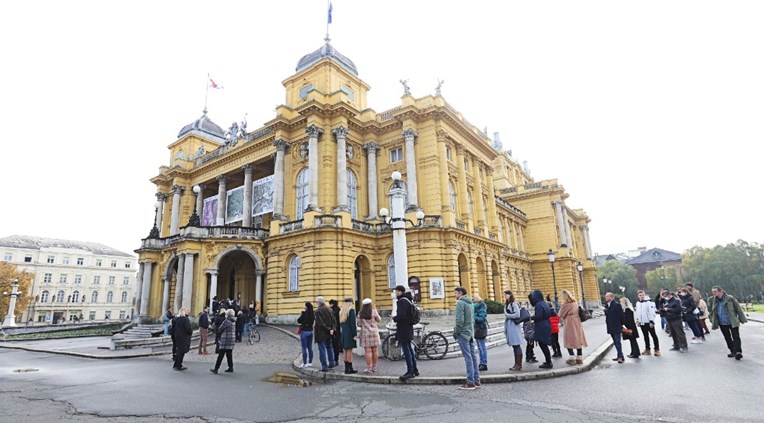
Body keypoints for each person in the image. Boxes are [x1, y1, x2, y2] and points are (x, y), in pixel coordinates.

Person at [708, 286, 747, 360]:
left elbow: (738, 308)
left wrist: (742, 319)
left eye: (715, 291)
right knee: (727, 337)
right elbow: (710, 311)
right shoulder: (712, 300)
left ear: (721, 291)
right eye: (712, 292)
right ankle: (732, 351)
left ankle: (738, 352)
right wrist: (712, 319)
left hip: (732, 321)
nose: (713, 293)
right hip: (722, 322)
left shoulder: (730, 298)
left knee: (736, 336)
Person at [453, 287, 480, 390]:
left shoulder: (460, 303)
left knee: (468, 357)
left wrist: (456, 332)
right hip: (470, 333)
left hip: (463, 333)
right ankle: (476, 380)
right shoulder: (470, 303)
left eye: (455, 293)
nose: (454, 295)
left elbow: (459, 320)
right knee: (473, 357)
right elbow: (472, 319)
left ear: (460, 293)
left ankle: (470, 382)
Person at [393, 285, 418, 381]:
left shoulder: (402, 301)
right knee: (409, 349)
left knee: (406, 350)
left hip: (403, 328)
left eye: (396, 291)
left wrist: (394, 318)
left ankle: (410, 371)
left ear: (400, 292)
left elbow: (401, 316)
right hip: (408, 327)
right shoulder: (408, 299)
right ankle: (414, 369)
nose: (395, 293)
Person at [558, 290, 587, 365]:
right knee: (578, 339)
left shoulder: (565, 305)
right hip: (577, 322)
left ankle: (572, 358)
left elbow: (559, 315)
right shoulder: (575, 303)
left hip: (569, 323)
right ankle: (579, 358)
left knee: (568, 339)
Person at [529, 290, 553, 369]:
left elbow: (538, 316)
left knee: (542, 344)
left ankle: (548, 362)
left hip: (541, 325)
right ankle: (548, 361)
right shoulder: (544, 303)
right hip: (546, 323)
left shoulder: (538, 304)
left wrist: (530, 317)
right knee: (544, 343)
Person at [314, 296, 338, 372]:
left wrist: (328, 329)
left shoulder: (318, 311)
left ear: (318, 302)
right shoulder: (330, 309)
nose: (316, 303)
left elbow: (320, 323)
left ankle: (324, 367)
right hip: (329, 333)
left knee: (322, 349)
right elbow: (334, 321)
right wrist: (332, 329)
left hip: (321, 333)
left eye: (316, 302)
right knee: (329, 347)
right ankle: (332, 363)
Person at [358, 298, 381, 373]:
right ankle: (374, 367)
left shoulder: (360, 313)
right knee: (375, 350)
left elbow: (359, 324)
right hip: (374, 333)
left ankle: (369, 368)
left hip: (365, 333)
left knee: (368, 351)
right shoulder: (374, 312)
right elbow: (379, 320)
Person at [503, 290, 524, 371]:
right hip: (510, 327)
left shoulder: (514, 304)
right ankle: (516, 364)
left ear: (510, 295)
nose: (505, 296)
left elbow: (517, 314)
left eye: (506, 295)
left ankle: (518, 364)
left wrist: (507, 315)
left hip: (514, 327)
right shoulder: (507, 304)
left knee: (516, 345)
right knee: (515, 346)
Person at [210, 309, 236, 374]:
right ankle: (231, 367)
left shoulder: (226, 321)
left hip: (225, 339)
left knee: (221, 355)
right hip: (231, 339)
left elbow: (220, 329)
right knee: (229, 354)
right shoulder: (233, 321)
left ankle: (216, 368)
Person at [635, 290, 660, 356]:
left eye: (642, 295)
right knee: (645, 336)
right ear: (638, 296)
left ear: (644, 295)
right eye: (640, 295)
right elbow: (637, 313)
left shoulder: (648, 303)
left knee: (653, 335)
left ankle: (657, 349)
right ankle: (647, 349)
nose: (641, 296)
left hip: (648, 322)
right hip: (642, 322)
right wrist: (637, 321)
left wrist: (651, 321)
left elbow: (652, 312)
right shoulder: (638, 303)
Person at [604, 292, 626, 363]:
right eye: (606, 296)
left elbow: (621, 315)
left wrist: (621, 324)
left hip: (617, 326)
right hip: (610, 326)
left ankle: (620, 356)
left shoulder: (616, 305)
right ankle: (620, 355)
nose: (606, 298)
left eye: (608, 296)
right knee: (615, 342)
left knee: (617, 342)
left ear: (612, 297)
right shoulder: (606, 305)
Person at [339, 297, 359, 374]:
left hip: (343, 333)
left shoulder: (341, 311)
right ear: (351, 303)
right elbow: (352, 324)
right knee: (349, 351)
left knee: (345, 350)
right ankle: (350, 368)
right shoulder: (351, 311)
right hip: (349, 333)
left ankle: (346, 368)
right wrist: (354, 334)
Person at [472, 295, 489, 371]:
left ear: (478, 299)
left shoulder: (481, 306)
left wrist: (474, 317)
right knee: (479, 347)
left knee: (482, 347)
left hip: (481, 329)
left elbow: (482, 318)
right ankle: (481, 363)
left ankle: (484, 363)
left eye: (474, 298)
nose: (473, 299)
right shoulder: (474, 306)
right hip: (476, 329)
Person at [297, 302, 315, 368]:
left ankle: (304, 363)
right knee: (310, 347)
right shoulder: (313, 314)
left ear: (306, 307)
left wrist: (302, 313)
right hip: (310, 331)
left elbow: (298, 320)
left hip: (304, 332)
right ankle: (310, 362)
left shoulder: (304, 314)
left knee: (304, 348)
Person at [328, 299, 342, 366]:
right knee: (336, 345)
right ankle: (336, 360)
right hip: (338, 329)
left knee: (331, 346)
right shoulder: (339, 309)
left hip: (332, 330)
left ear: (332, 304)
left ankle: (332, 360)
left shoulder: (331, 310)